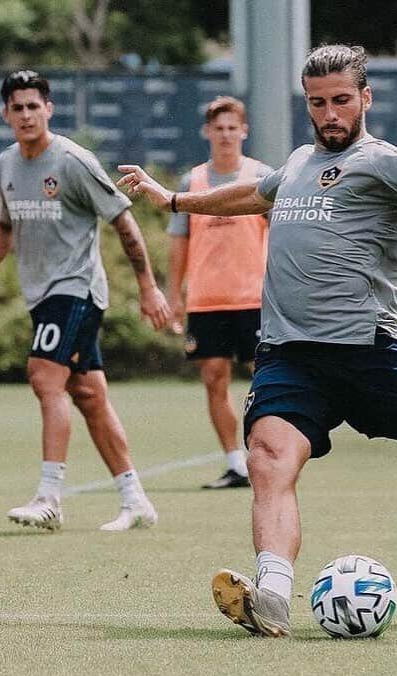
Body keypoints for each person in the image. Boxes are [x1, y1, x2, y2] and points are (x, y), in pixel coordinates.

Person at [118, 44, 397, 636]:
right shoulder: (300, 161)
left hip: (370, 351)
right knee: (268, 457)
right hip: (289, 352)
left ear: (365, 99)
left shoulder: (385, 162)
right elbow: (254, 194)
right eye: (317, 102)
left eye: (340, 101)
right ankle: (273, 593)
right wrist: (173, 199)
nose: (328, 113)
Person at [0, 70, 171, 532]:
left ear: (49, 109)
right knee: (88, 394)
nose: (25, 114)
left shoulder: (74, 161)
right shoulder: (6, 164)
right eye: (16, 107)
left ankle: (49, 497)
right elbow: (3, 224)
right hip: (41, 295)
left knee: (43, 376)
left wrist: (148, 287)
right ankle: (135, 499)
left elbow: (124, 222)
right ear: (6, 114)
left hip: (77, 288)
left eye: (33, 106)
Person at [167, 96, 271, 489]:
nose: (226, 135)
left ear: (243, 131)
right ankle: (235, 464)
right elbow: (178, 244)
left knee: (266, 378)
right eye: (219, 128)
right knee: (214, 378)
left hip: (255, 299)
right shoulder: (190, 183)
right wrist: (173, 295)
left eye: (233, 127)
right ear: (207, 132)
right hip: (207, 299)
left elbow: (281, 236)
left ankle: (269, 454)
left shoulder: (262, 177)